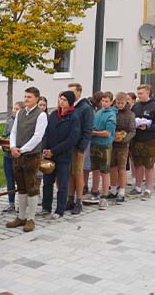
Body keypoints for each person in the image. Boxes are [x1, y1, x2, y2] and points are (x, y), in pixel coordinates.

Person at [6, 88, 48, 232]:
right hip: (17, 155)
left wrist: (22, 150)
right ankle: (21, 216)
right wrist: (12, 146)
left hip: (31, 156)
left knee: (32, 187)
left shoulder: (41, 115)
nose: (26, 99)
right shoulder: (20, 112)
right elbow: (14, 131)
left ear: (37, 98)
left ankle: (31, 218)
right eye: (25, 96)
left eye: (29, 97)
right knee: (21, 186)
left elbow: (37, 137)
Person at [41, 91, 82, 219]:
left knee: (63, 184)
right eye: (60, 99)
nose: (61, 102)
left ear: (70, 102)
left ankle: (60, 209)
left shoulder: (74, 117)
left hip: (63, 155)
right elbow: (46, 133)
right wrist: (45, 149)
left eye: (64, 100)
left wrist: (54, 150)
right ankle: (46, 207)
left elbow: (72, 139)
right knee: (47, 182)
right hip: (49, 154)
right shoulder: (54, 115)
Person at [130, 84, 155, 200]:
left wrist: (148, 127)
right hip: (137, 139)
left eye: (141, 93)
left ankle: (148, 189)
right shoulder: (136, 106)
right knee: (138, 164)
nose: (138, 95)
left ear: (148, 93)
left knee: (149, 165)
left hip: (150, 140)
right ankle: (138, 187)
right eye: (138, 93)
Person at [64, 83, 93, 215]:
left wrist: (82, 148)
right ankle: (70, 199)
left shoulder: (85, 108)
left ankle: (79, 201)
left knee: (78, 173)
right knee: (71, 173)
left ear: (79, 92)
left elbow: (87, 129)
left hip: (80, 146)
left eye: (72, 92)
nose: (70, 94)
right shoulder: (72, 107)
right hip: (70, 145)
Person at [89, 92, 118, 210]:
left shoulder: (111, 115)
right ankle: (94, 192)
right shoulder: (98, 112)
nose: (104, 103)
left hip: (105, 145)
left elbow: (108, 133)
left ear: (111, 102)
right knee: (95, 169)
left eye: (106, 101)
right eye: (103, 101)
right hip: (94, 144)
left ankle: (104, 195)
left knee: (104, 171)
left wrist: (95, 133)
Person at [0, 101, 23, 214]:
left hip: (18, 155)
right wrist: (4, 140)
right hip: (7, 154)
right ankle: (11, 203)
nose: (14, 110)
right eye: (14, 108)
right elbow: (4, 133)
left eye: (17, 109)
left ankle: (21, 204)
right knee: (9, 180)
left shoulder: (23, 122)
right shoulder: (9, 121)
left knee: (20, 180)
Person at [110, 92, 135, 204]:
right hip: (112, 143)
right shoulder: (112, 112)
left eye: (122, 103)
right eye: (118, 103)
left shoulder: (130, 114)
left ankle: (122, 191)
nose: (120, 105)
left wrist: (124, 139)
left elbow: (132, 131)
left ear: (126, 103)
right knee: (112, 167)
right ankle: (114, 189)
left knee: (122, 168)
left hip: (123, 145)